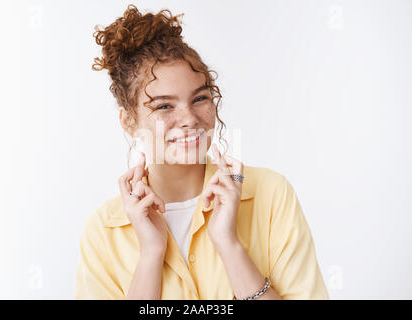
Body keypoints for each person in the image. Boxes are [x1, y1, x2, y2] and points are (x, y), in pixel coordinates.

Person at [74, 4, 329, 300]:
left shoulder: (270, 195)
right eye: (164, 106)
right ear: (129, 122)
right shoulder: (104, 231)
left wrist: (229, 245)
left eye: (200, 98)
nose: (189, 119)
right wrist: (151, 256)